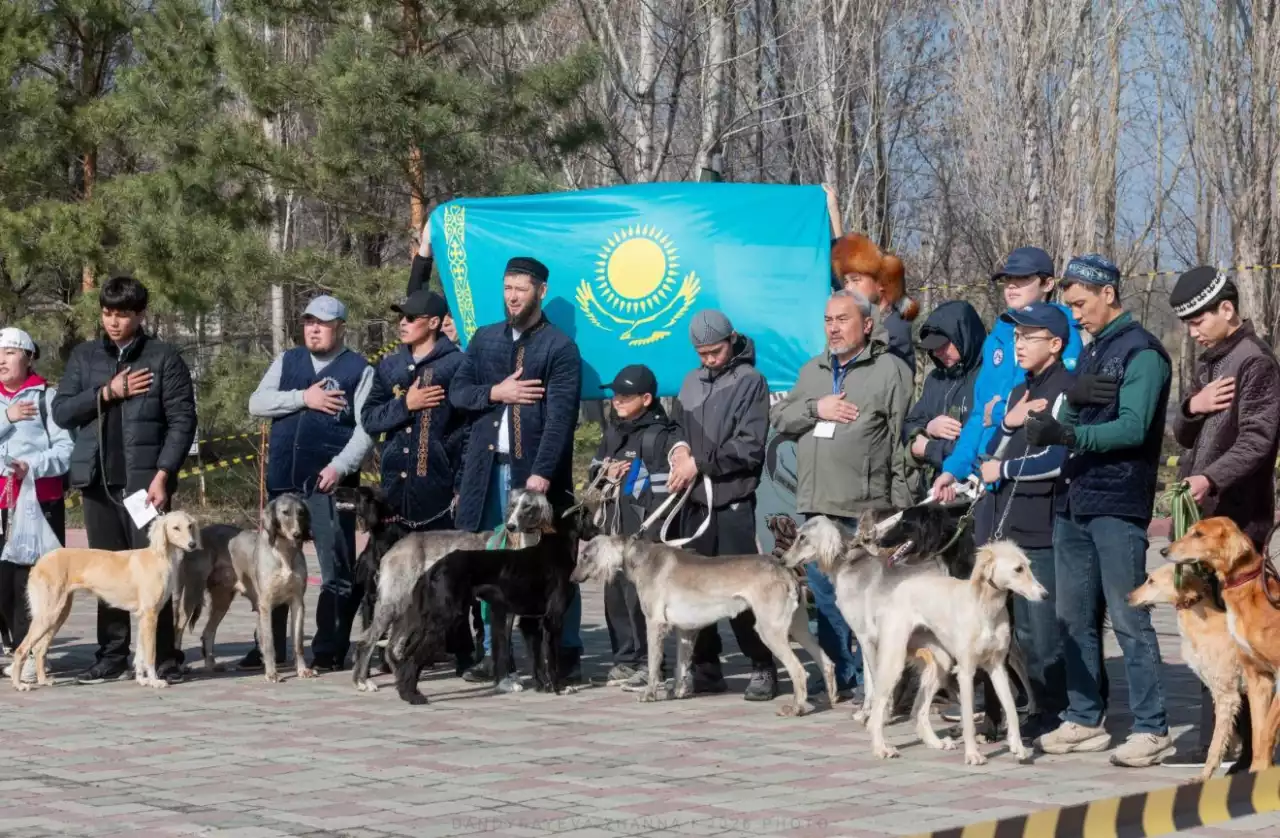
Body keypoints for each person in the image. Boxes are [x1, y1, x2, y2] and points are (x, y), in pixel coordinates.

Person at [1024, 254, 1174, 767]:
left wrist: (1068, 432)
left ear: (1108, 293)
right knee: (1073, 618)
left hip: (1117, 502)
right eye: (1069, 306)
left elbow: (1132, 428)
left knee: (1130, 618)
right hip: (1074, 498)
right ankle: (1085, 718)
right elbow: (1066, 408)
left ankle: (1153, 727)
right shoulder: (1089, 353)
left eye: (1081, 304)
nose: (1076, 315)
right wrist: (1066, 404)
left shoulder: (1144, 354)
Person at [51, 276, 197, 685]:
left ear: (140, 315)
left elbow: (183, 420)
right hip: (97, 480)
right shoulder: (84, 357)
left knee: (158, 573)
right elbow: (62, 412)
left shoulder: (164, 357)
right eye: (107, 313)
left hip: (145, 485)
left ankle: (164, 657)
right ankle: (112, 655)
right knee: (106, 573)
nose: (114, 322)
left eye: (123, 314)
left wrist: (164, 473)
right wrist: (106, 392)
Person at [1161, 267, 1280, 768]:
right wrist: (1192, 404)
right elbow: (1183, 433)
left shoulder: (1256, 364)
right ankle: (1225, 744)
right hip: (1205, 524)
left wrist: (1210, 479)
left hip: (1236, 527)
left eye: (1197, 318)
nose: (1192, 329)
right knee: (1220, 638)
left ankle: (1251, 752)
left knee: (1251, 644)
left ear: (1226, 310)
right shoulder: (1210, 362)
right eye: (1186, 321)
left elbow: (1258, 440)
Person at [770, 290, 912, 700]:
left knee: (872, 602)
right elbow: (781, 416)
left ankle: (881, 683)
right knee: (828, 598)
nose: (833, 327)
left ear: (866, 324)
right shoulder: (813, 370)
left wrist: (898, 509)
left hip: (865, 511)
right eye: (828, 320)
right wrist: (818, 408)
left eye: (842, 319)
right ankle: (840, 673)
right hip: (820, 509)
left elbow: (903, 439)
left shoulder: (890, 370)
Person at [449, 256, 583, 683]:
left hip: (534, 477)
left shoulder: (559, 347)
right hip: (487, 470)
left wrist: (541, 475)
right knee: (492, 563)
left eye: (520, 289)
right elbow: (459, 393)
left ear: (540, 291)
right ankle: (495, 654)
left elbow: (561, 418)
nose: (511, 297)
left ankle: (562, 653)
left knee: (554, 565)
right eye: (507, 288)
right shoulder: (485, 339)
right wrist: (497, 391)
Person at [248, 295, 374, 672]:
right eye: (308, 322)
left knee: (335, 567)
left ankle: (328, 650)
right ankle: (269, 648)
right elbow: (257, 403)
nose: (313, 329)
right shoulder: (288, 361)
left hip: (329, 484)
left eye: (321, 323)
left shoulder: (358, 369)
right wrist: (305, 397)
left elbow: (366, 430)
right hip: (284, 482)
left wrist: (339, 467)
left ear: (339, 327)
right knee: (272, 563)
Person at [666, 310, 776, 700]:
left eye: (715, 351)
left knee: (743, 592)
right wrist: (679, 451)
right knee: (695, 590)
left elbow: (749, 446)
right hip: (693, 504)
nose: (709, 359)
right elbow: (676, 427)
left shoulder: (751, 381)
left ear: (732, 340)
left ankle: (763, 665)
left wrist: (702, 463)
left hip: (732, 501)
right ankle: (706, 667)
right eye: (702, 353)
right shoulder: (690, 382)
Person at [976, 303, 1074, 739]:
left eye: (1029, 337)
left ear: (1054, 344)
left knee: (1042, 629)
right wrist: (1008, 423)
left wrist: (1007, 471)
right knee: (1013, 631)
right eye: (1016, 337)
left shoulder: (1066, 389)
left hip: (1044, 522)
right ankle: (1027, 706)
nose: (1018, 345)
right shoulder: (1018, 392)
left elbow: (1059, 459)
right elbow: (989, 457)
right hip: (1007, 525)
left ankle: (1055, 711)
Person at [931, 247, 1082, 503]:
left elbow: (1056, 405)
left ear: (1047, 284)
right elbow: (980, 414)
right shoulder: (997, 338)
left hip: (1032, 480)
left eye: (1022, 279)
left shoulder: (1064, 336)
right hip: (986, 476)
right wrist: (954, 469)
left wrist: (1001, 413)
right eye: (1007, 280)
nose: (1011, 287)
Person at [588, 364, 691, 693]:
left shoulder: (662, 434)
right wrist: (606, 471)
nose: (616, 400)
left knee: (640, 599)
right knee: (614, 593)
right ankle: (625, 658)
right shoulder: (613, 430)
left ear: (647, 398)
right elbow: (593, 473)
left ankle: (651, 663)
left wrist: (635, 478)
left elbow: (668, 489)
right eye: (614, 394)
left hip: (644, 535)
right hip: (612, 532)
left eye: (625, 395)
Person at [0, 329, 73, 684]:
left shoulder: (48, 398)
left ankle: (29, 653)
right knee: (2, 582)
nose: (2, 359)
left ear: (29, 357)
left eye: (11, 352)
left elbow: (65, 450)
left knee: (31, 581)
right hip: (1, 502)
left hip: (38, 502)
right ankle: (9, 648)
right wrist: (8, 418)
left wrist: (33, 466)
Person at [361, 289, 467, 530]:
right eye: (401, 318)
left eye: (410, 318)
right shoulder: (390, 367)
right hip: (392, 486)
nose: (402, 323)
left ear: (433, 322)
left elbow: (467, 431)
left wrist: (461, 484)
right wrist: (405, 405)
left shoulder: (456, 365)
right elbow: (369, 419)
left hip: (436, 486)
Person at [903, 301, 987, 484]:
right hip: (936, 486)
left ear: (963, 336)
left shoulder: (987, 377)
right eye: (933, 348)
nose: (938, 352)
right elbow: (910, 424)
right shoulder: (936, 379)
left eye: (943, 345)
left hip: (972, 486)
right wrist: (928, 429)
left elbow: (980, 443)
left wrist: (929, 448)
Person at [831, 234, 915, 372]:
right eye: (846, 282)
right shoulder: (872, 323)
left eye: (856, 280)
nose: (848, 288)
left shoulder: (892, 331)